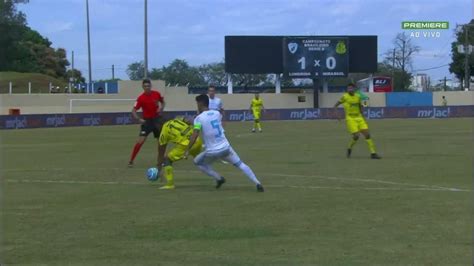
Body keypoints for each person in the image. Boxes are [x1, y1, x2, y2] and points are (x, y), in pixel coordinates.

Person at [185, 94, 264, 192]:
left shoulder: (199, 118)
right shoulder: (217, 114)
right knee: (240, 164)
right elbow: (210, 121)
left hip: (212, 151)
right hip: (225, 147)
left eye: (197, 104)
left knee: (197, 162)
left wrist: (187, 149)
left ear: (200, 104)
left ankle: (218, 178)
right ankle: (257, 183)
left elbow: (195, 134)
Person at [334, 83, 381, 159]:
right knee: (356, 136)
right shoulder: (344, 97)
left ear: (354, 89)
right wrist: (337, 115)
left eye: (351, 88)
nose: (350, 90)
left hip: (359, 117)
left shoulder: (358, 96)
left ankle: (373, 153)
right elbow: (335, 105)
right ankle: (349, 148)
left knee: (367, 135)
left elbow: (360, 106)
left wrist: (362, 115)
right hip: (350, 118)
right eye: (348, 88)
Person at [156, 117, 203, 190]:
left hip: (185, 145)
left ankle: (170, 184)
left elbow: (161, 153)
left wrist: (159, 169)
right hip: (197, 140)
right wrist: (195, 126)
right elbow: (190, 119)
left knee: (167, 159)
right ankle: (216, 175)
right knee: (200, 161)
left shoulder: (164, 130)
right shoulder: (177, 119)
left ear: (159, 126)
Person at [128, 79, 166, 167]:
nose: (147, 88)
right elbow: (133, 111)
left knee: (161, 142)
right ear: (143, 87)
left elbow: (163, 102)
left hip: (157, 121)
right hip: (147, 122)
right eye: (145, 86)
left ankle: (161, 160)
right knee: (140, 141)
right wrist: (139, 119)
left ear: (150, 86)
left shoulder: (156, 94)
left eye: (148, 86)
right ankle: (131, 160)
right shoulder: (140, 98)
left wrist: (161, 108)